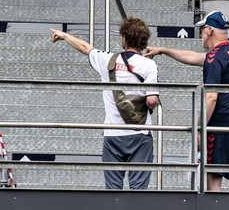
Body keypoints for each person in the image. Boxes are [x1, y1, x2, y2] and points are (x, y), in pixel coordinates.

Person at [145, 11, 229, 192]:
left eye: (202, 30)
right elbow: (195, 57)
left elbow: (211, 97)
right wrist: (163, 50)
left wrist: (199, 127)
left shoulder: (215, 57)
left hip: (222, 124)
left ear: (210, 30)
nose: (201, 35)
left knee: (213, 178)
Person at [50, 18, 159, 190]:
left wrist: (65, 36)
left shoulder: (108, 60)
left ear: (124, 38)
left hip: (113, 135)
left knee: (113, 192)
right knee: (139, 192)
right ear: (144, 41)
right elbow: (152, 101)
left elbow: (86, 48)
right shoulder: (149, 65)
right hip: (140, 135)